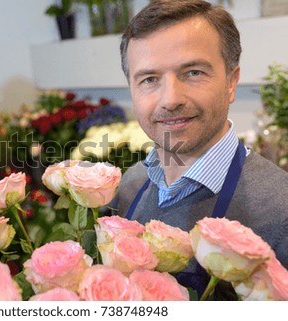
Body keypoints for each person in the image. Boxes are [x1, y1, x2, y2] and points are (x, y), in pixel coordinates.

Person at [112, 0, 288, 299]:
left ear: (231, 82)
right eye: (149, 79)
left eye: (193, 73)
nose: (170, 99)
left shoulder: (280, 210)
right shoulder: (128, 187)